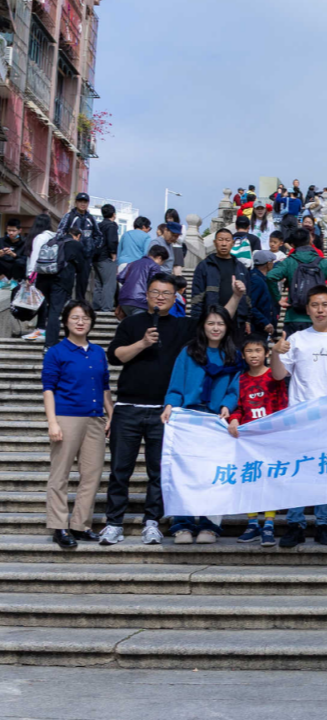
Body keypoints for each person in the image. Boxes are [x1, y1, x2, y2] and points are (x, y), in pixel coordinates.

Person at [100, 273, 245, 546]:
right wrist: (143, 343)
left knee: (160, 471)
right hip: (129, 407)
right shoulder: (132, 323)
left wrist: (236, 296)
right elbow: (115, 356)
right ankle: (114, 523)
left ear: (175, 297)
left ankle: (152, 522)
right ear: (146, 294)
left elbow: (217, 320)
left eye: (167, 293)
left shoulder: (184, 327)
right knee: (120, 469)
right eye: (156, 292)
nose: (160, 297)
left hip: (168, 412)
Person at [271, 286, 327, 547]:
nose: (320, 310)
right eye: (315, 305)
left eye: (325, 304)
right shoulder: (296, 339)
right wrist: (275, 352)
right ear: (307, 309)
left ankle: (324, 523)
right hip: (299, 415)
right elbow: (278, 375)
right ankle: (295, 523)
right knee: (298, 470)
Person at [162, 305, 243, 544]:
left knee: (214, 473)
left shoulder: (233, 355)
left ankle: (210, 525)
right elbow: (177, 384)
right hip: (189, 418)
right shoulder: (188, 352)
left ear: (227, 327)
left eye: (220, 323)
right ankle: (182, 523)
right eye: (211, 323)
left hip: (217, 421)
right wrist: (170, 404)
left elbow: (235, 388)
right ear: (203, 326)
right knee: (185, 472)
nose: (216, 328)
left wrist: (227, 404)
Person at [42, 300, 112, 549]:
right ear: (65, 321)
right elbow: (48, 389)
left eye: (85, 318)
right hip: (67, 417)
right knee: (60, 474)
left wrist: (111, 414)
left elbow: (105, 387)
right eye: (75, 317)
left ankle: (80, 525)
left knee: (92, 474)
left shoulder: (98, 352)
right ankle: (59, 527)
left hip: (95, 418)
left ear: (92, 322)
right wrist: (52, 422)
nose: (81, 322)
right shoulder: (56, 352)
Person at [227, 335, 288, 547]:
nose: (254, 355)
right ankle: (252, 523)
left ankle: (269, 524)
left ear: (266, 353)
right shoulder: (240, 379)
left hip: (271, 438)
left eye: (258, 350)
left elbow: (282, 404)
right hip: (247, 440)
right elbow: (238, 406)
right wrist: (234, 419)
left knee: (269, 481)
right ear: (243, 355)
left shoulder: (274, 376)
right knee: (249, 480)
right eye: (249, 351)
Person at [265, 228, 327, 337]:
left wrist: (278, 298)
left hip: (293, 317)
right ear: (310, 240)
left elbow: (270, 276)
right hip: (317, 319)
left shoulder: (289, 261)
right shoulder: (322, 262)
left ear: (292, 244)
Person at [189, 229, 255, 338]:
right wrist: (197, 321)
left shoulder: (240, 267)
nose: (224, 243)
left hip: (236, 322)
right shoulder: (205, 266)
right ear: (215, 242)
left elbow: (247, 297)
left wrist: (247, 319)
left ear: (232, 243)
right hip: (211, 322)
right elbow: (197, 296)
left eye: (227, 240)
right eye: (220, 240)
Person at [56, 192, 103, 300]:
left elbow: (99, 236)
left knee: (83, 283)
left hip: (86, 257)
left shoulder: (91, 219)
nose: (83, 204)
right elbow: (59, 233)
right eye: (80, 201)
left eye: (85, 202)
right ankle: (66, 303)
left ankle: (79, 303)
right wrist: (68, 245)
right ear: (76, 202)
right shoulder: (69, 216)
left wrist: (92, 248)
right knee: (68, 281)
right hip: (70, 257)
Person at [43, 229, 85, 349]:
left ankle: (58, 339)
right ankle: (50, 343)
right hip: (61, 282)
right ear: (78, 236)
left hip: (46, 279)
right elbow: (81, 266)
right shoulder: (75, 244)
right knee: (55, 312)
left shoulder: (53, 241)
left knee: (53, 310)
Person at [117, 245, 170, 317]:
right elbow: (154, 285)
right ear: (159, 258)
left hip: (124, 300)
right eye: (163, 262)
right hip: (140, 301)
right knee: (140, 323)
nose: (161, 264)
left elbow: (120, 277)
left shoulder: (133, 263)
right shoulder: (154, 266)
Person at [91, 204, 119, 312]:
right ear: (114, 214)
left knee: (98, 283)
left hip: (96, 258)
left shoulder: (98, 225)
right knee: (109, 284)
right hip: (106, 258)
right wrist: (113, 255)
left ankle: (96, 306)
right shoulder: (111, 226)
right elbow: (112, 241)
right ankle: (106, 308)